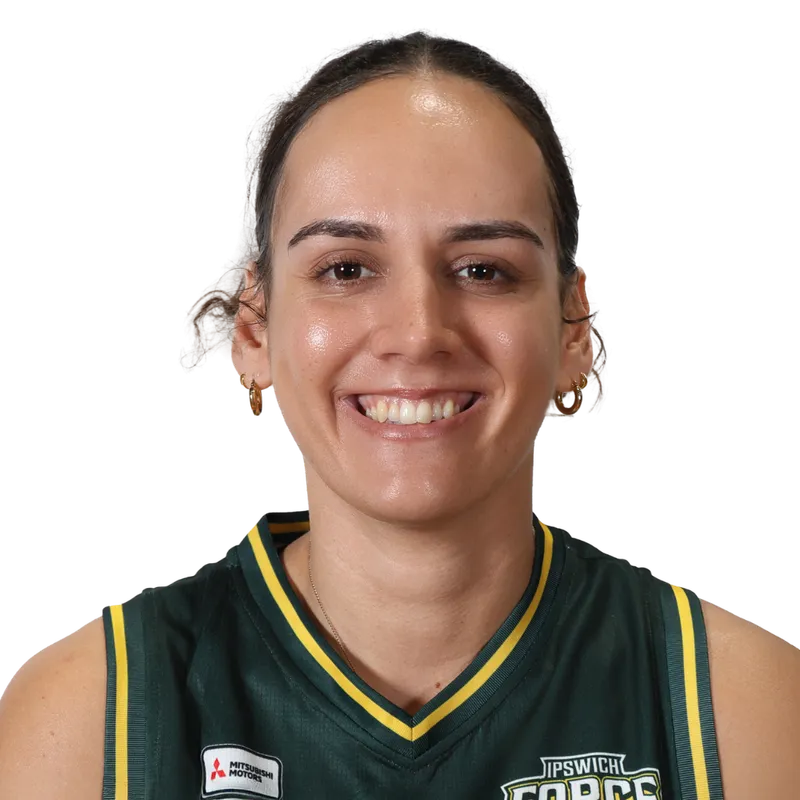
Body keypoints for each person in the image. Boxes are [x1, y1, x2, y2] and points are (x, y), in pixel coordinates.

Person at [1, 28, 797, 799]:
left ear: (575, 327)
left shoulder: (743, 710)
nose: (418, 334)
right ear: (253, 330)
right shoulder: (91, 718)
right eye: (346, 269)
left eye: (483, 270)